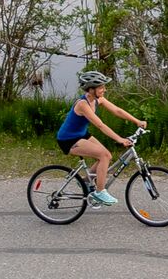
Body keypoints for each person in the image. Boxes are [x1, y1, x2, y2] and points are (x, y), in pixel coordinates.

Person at [56, 71, 146, 206]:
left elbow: (117, 111)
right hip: (68, 139)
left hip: (81, 134)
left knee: (107, 156)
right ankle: (100, 192)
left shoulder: (97, 100)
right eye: (101, 87)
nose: (104, 89)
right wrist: (120, 139)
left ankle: (85, 182)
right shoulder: (82, 104)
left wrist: (136, 121)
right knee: (103, 155)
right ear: (91, 89)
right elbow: (100, 125)